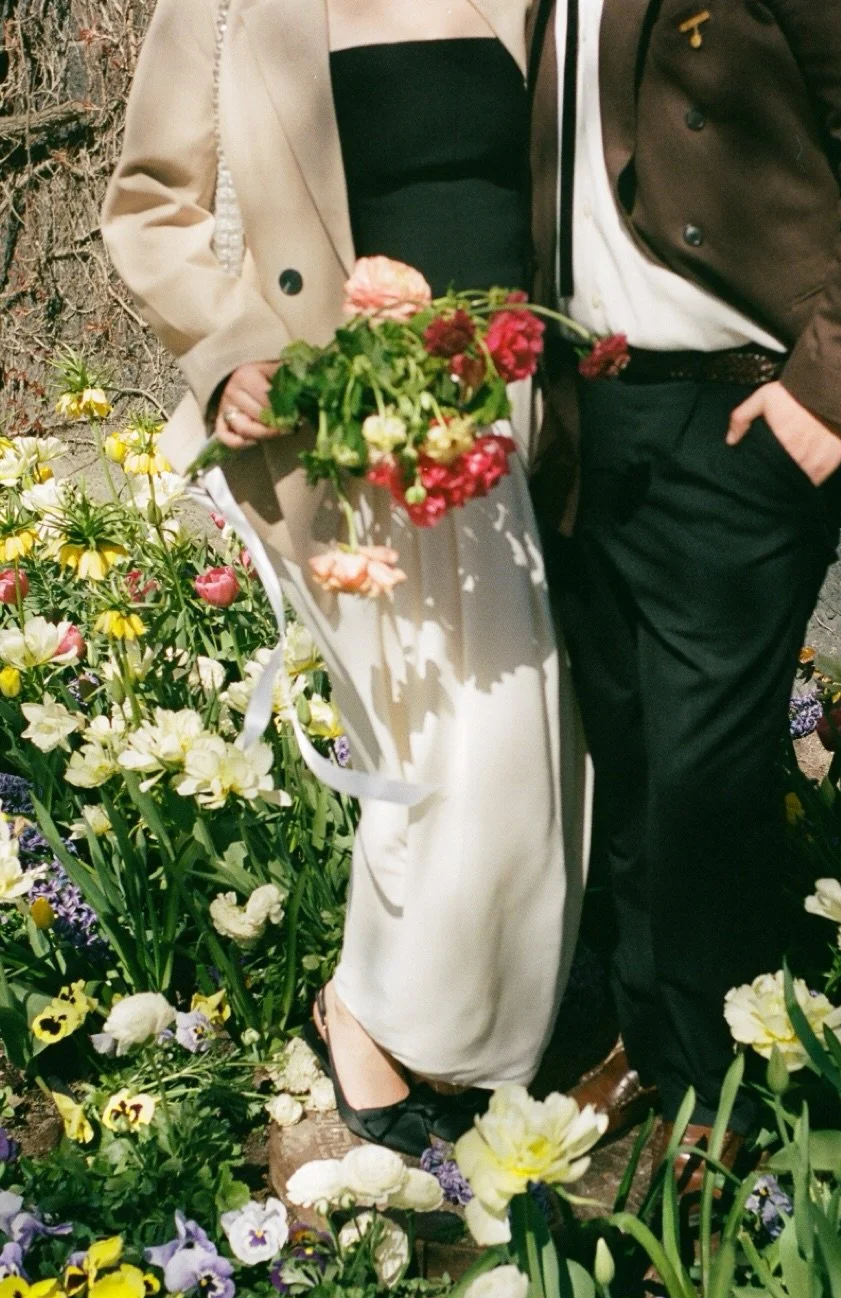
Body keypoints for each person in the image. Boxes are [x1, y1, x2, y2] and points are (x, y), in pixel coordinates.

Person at [102, 0, 587, 1155]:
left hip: (514, 410)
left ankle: (397, 1014)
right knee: (426, 730)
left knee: (511, 739)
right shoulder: (228, 8)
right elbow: (146, 203)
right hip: (339, 417)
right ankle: (391, 1021)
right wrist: (228, 353)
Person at [528, 0, 841, 1175]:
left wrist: (826, 395)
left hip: (739, 408)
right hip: (593, 406)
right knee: (631, 754)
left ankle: (724, 1101)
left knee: (706, 777)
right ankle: (654, 1039)